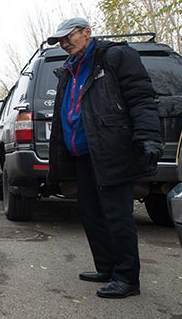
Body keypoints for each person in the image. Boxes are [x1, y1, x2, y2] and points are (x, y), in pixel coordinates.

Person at [46, 17, 162, 299]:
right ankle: (107, 267)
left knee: (117, 215)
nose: (64, 44)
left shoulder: (115, 56)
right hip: (83, 154)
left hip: (112, 149)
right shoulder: (69, 69)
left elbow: (141, 98)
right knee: (90, 212)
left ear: (87, 32)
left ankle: (127, 278)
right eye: (60, 41)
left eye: (69, 37)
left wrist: (148, 136)